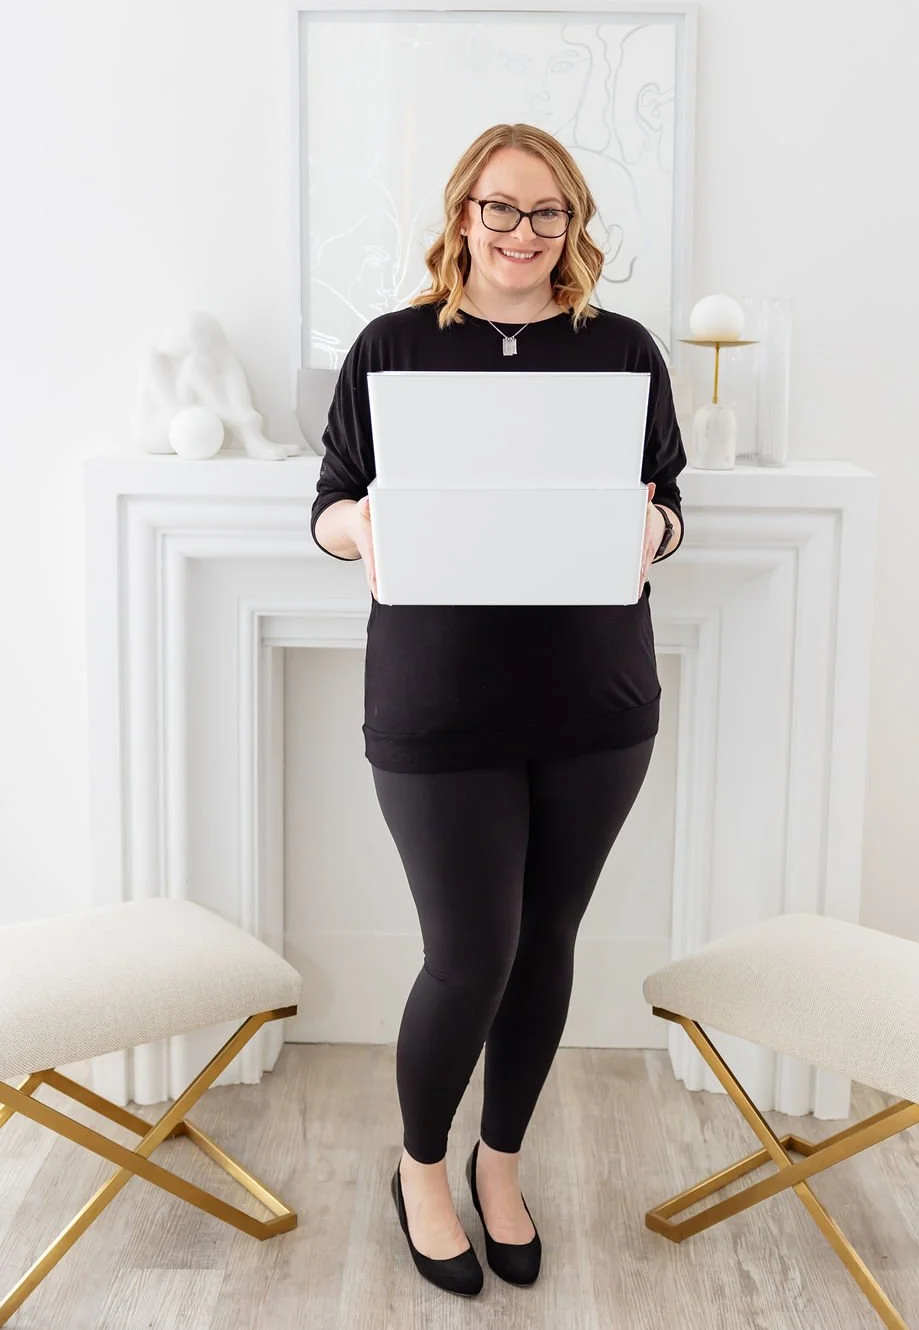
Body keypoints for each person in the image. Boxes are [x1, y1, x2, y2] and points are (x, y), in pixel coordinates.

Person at [310, 122, 686, 1297]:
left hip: (595, 705)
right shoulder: (392, 347)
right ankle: (421, 1167)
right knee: (471, 954)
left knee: (546, 945)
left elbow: (669, 500)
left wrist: (656, 525)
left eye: (547, 212)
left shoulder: (620, 349)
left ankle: (500, 1161)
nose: (522, 232)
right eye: (500, 208)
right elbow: (329, 506)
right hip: (438, 706)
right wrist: (360, 524)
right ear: (462, 215)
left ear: (574, 225)